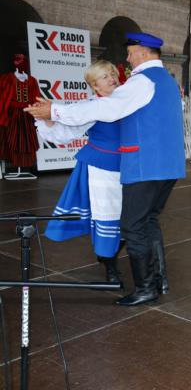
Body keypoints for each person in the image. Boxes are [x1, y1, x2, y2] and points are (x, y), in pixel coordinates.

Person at [25, 32, 186, 306]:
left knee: (133, 225)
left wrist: (54, 110)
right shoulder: (167, 81)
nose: (127, 59)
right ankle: (153, 279)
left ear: (143, 52)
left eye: (130, 52)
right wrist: (52, 116)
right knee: (144, 221)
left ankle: (146, 287)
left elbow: (107, 109)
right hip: (163, 166)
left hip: (143, 166)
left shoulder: (140, 82)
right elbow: (89, 117)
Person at [35, 61, 123, 283]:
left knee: (131, 218)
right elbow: (65, 134)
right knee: (107, 215)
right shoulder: (91, 106)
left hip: (129, 167)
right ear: (94, 85)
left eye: (112, 73)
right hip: (101, 169)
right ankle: (109, 265)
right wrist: (47, 118)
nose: (112, 78)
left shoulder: (127, 100)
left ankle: (108, 255)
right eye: (104, 76)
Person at [0, 54, 40, 168]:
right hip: (13, 115)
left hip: (27, 115)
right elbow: (3, 97)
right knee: (13, 140)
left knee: (26, 141)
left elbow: (36, 97)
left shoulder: (32, 81)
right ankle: (14, 164)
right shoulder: (7, 78)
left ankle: (24, 166)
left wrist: (36, 112)